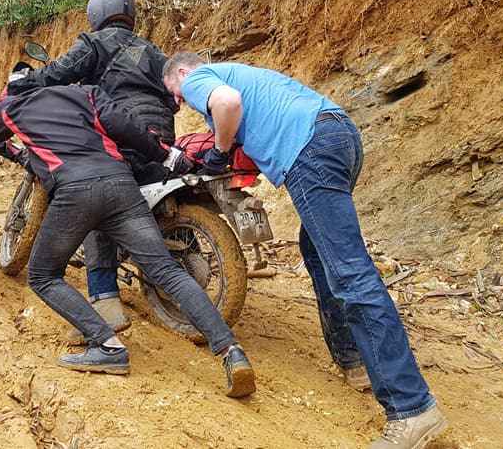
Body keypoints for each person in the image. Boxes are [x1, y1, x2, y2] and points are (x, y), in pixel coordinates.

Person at [162, 53, 446, 448]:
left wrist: (220, 151)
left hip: (310, 151)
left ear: (181, 73)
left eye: (174, 93)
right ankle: (355, 359)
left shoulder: (199, 78)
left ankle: (412, 408)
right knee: (317, 254)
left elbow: (226, 103)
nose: (179, 101)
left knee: (350, 273)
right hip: (340, 135)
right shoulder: (252, 75)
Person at [0, 83, 256, 397]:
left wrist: (20, 156)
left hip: (74, 191)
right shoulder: (86, 93)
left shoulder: (12, 108)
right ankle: (232, 352)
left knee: (43, 275)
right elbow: (126, 127)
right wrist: (168, 155)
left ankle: (107, 345)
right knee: (167, 271)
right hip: (120, 184)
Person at [7, 0, 175, 344]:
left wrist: (26, 82)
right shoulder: (152, 50)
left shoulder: (95, 44)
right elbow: (172, 98)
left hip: (119, 133)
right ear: (129, 13)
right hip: (161, 135)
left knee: (99, 203)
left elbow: (58, 74)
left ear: (96, 13)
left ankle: (105, 301)